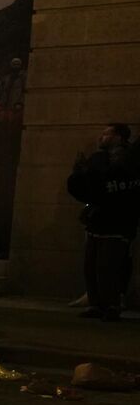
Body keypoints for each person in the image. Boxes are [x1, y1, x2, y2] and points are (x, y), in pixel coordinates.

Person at [67, 123, 140, 321]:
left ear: (119, 137)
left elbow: (113, 184)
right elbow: (89, 186)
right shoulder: (99, 158)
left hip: (118, 220)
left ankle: (112, 305)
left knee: (108, 265)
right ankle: (97, 304)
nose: (102, 137)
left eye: (107, 134)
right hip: (98, 219)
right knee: (91, 265)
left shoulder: (129, 159)